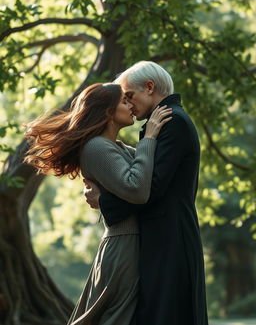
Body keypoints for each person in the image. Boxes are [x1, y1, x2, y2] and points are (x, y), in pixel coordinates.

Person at [23, 82, 172, 325]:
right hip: (125, 245)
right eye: (124, 101)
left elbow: (150, 176)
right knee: (116, 317)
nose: (131, 106)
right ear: (108, 112)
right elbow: (136, 189)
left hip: (131, 242)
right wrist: (150, 137)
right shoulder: (96, 147)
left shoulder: (114, 146)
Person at [84, 61, 209, 325]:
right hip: (161, 236)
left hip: (170, 238)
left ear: (149, 87)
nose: (129, 105)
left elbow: (150, 187)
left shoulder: (171, 121)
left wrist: (105, 201)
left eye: (130, 96)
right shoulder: (162, 120)